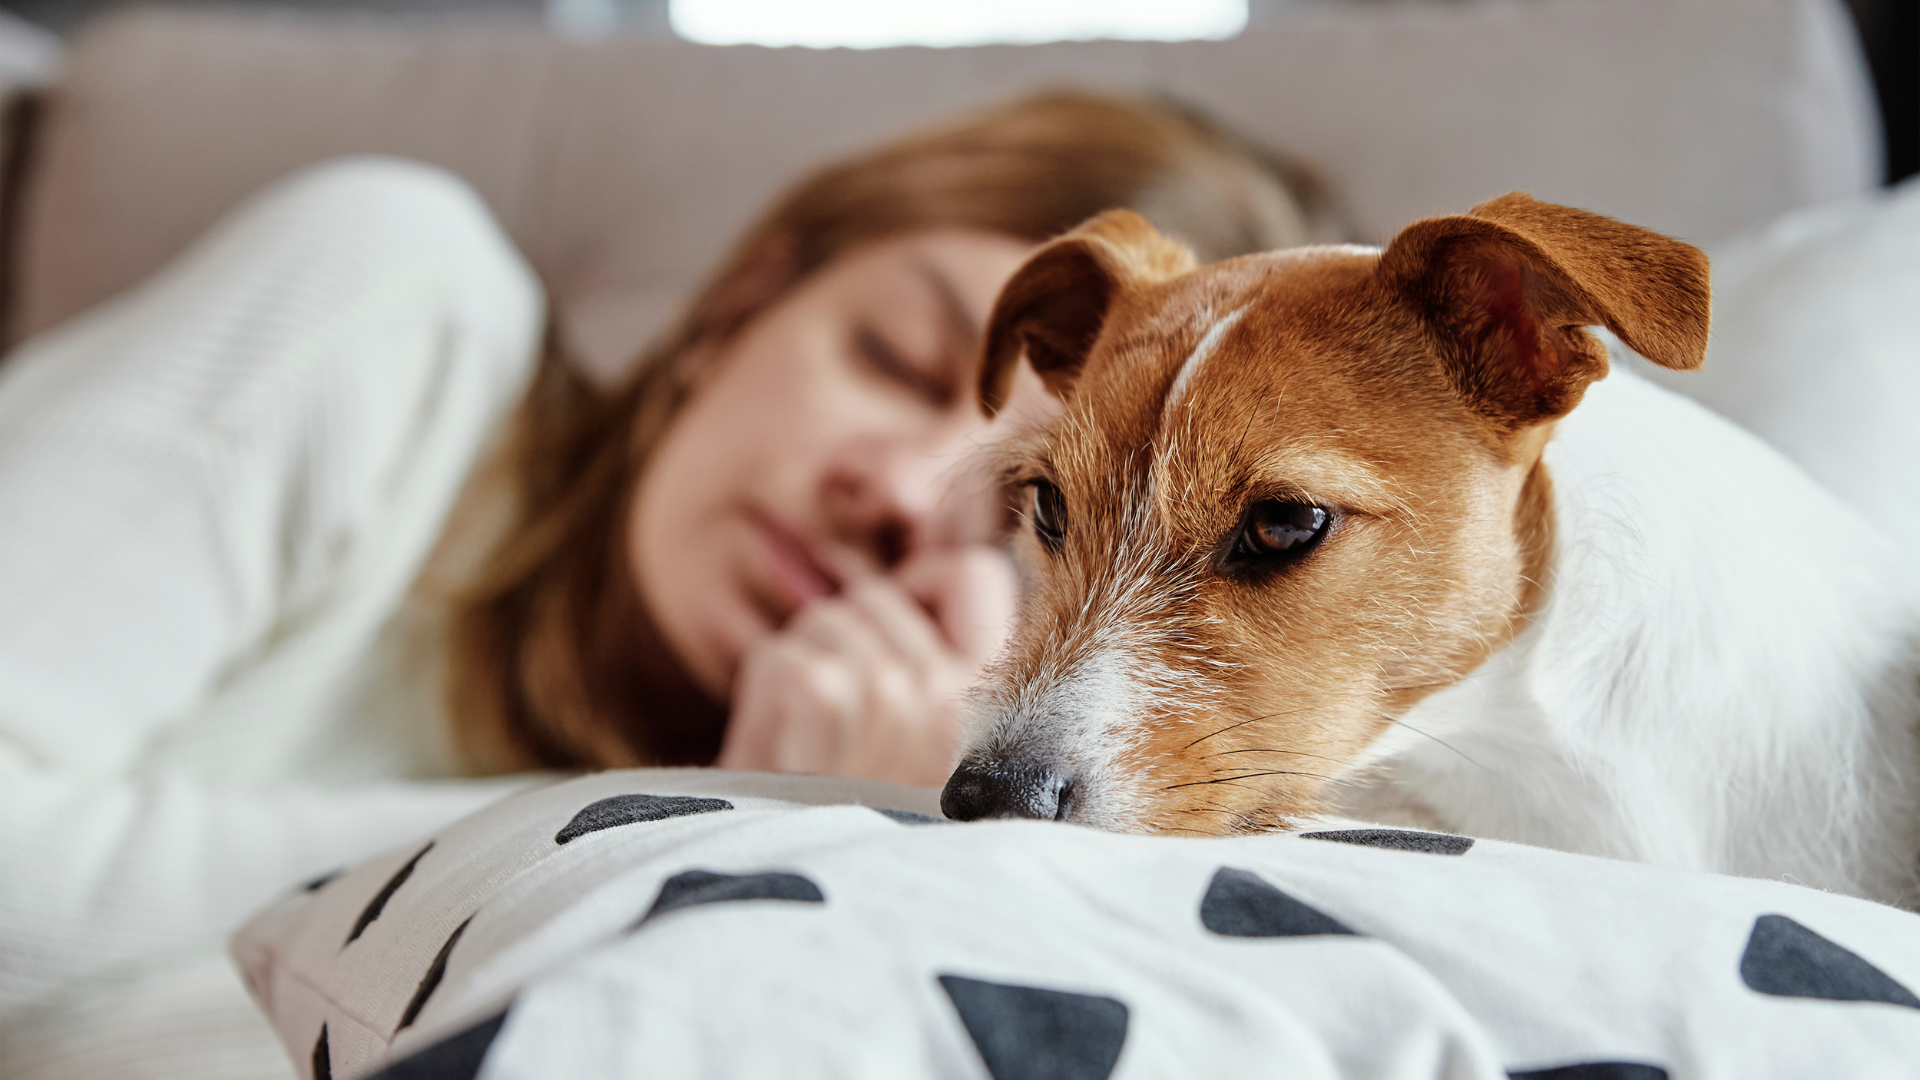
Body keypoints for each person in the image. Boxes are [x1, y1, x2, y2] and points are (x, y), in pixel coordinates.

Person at [0, 91, 1330, 1078]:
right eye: (891, 355)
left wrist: (834, 848)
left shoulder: (875, 859)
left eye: (1021, 507)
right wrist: (698, 824)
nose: (900, 494)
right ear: (737, 307)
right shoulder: (399, 309)